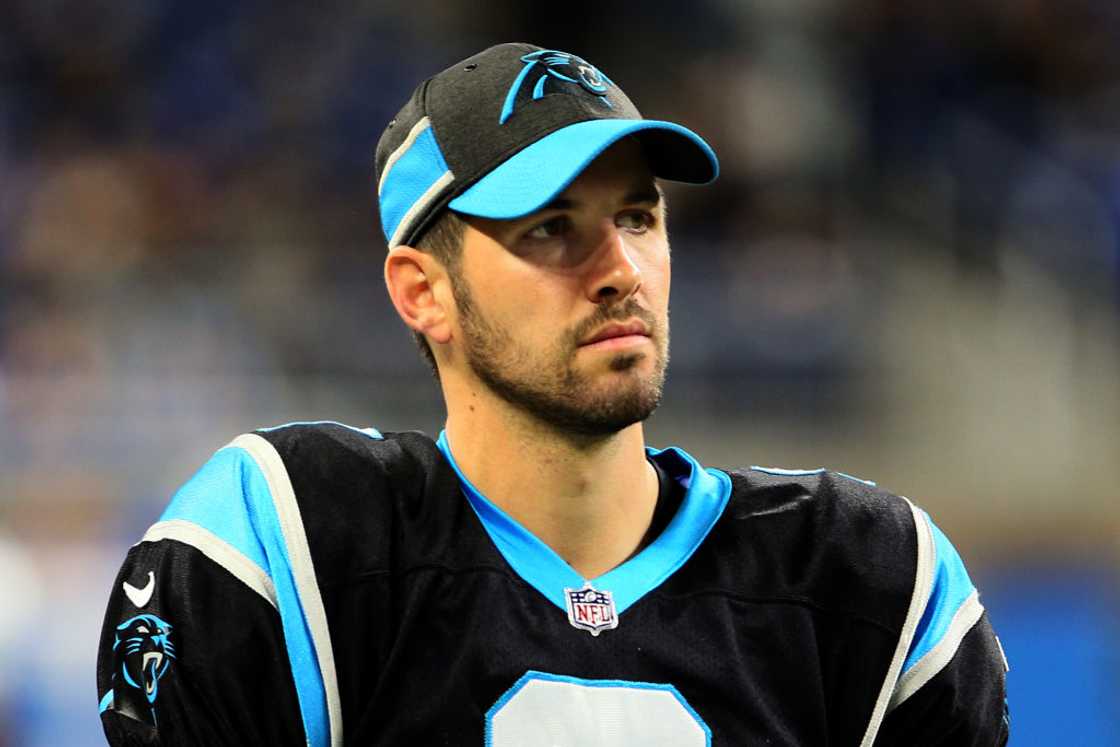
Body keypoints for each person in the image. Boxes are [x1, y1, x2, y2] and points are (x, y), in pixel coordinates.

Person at [96, 43, 1009, 746]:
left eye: (637, 217)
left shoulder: (863, 578)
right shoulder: (297, 542)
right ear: (423, 291)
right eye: (549, 228)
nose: (621, 270)